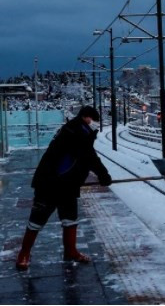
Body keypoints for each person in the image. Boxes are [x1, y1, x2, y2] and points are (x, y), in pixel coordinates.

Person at [15, 106, 112, 270]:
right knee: (37, 220)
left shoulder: (81, 131)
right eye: (94, 120)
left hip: (67, 185)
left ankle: (71, 252)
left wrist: (101, 176)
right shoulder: (74, 131)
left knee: (70, 219)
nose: (96, 124)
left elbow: (85, 157)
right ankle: (23, 254)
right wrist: (104, 176)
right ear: (86, 118)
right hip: (50, 184)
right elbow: (89, 157)